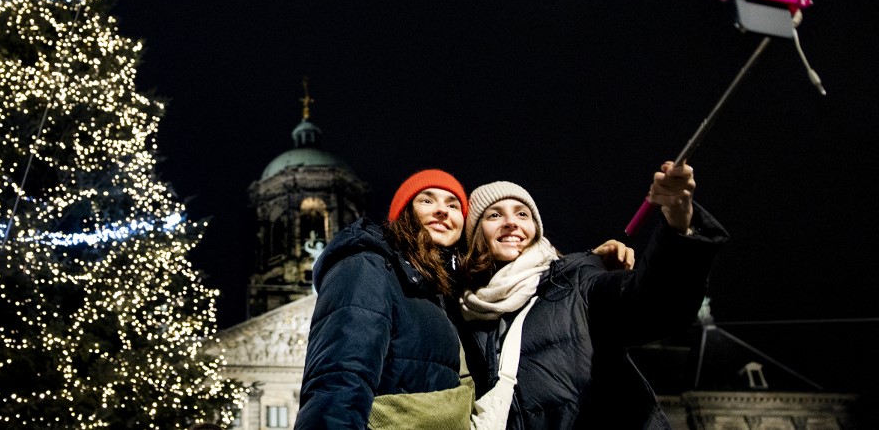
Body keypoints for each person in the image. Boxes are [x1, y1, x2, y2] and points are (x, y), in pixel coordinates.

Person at [456, 161, 729, 429]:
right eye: (494, 215)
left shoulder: (575, 280)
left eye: (522, 214)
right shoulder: (468, 313)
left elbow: (653, 305)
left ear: (536, 228)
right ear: (476, 233)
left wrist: (678, 223)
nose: (511, 223)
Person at [294, 169, 471, 430]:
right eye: (427, 200)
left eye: (453, 204)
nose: (442, 210)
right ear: (404, 212)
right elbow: (339, 379)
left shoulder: (438, 291)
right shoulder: (368, 266)